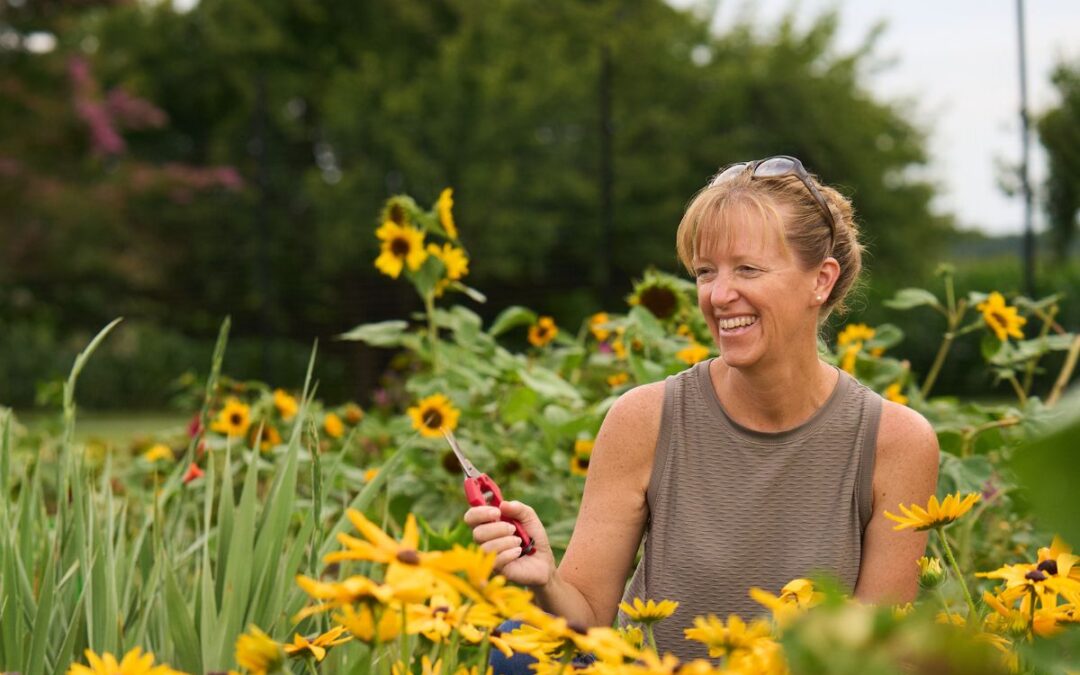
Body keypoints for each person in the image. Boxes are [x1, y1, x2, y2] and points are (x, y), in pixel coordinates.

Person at [464, 156, 939, 662]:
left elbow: (870, 659)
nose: (719, 295)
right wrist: (543, 579)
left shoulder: (896, 442)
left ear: (820, 281)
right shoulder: (644, 419)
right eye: (705, 272)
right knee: (515, 646)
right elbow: (585, 620)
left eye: (748, 269)